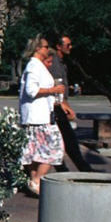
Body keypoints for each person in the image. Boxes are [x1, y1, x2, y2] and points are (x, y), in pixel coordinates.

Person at [19, 36, 65, 195]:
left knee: (34, 152)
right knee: (54, 148)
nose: (48, 49)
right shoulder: (34, 66)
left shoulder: (36, 66)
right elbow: (31, 91)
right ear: (37, 48)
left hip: (39, 115)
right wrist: (54, 90)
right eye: (45, 47)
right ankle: (37, 180)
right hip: (38, 118)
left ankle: (34, 182)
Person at [47, 35, 93, 172]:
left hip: (58, 104)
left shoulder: (60, 62)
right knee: (67, 139)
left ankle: (66, 169)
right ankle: (82, 169)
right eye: (68, 45)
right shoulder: (54, 62)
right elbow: (57, 85)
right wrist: (64, 104)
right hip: (56, 105)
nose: (70, 47)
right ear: (58, 46)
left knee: (62, 139)